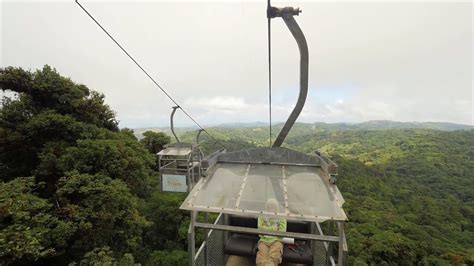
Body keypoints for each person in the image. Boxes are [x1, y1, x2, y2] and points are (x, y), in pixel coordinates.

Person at [256, 198, 287, 266]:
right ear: (267, 208)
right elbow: (260, 230)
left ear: (276, 208)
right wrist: (274, 228)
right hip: (263, 240)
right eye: (269, 207)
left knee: (274, 256)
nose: (271, 209)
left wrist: (266, 228)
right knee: (261, 258)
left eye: (273, 207)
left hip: (277, 240)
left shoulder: (281, 217)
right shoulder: (262, 215)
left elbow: (282, 232)